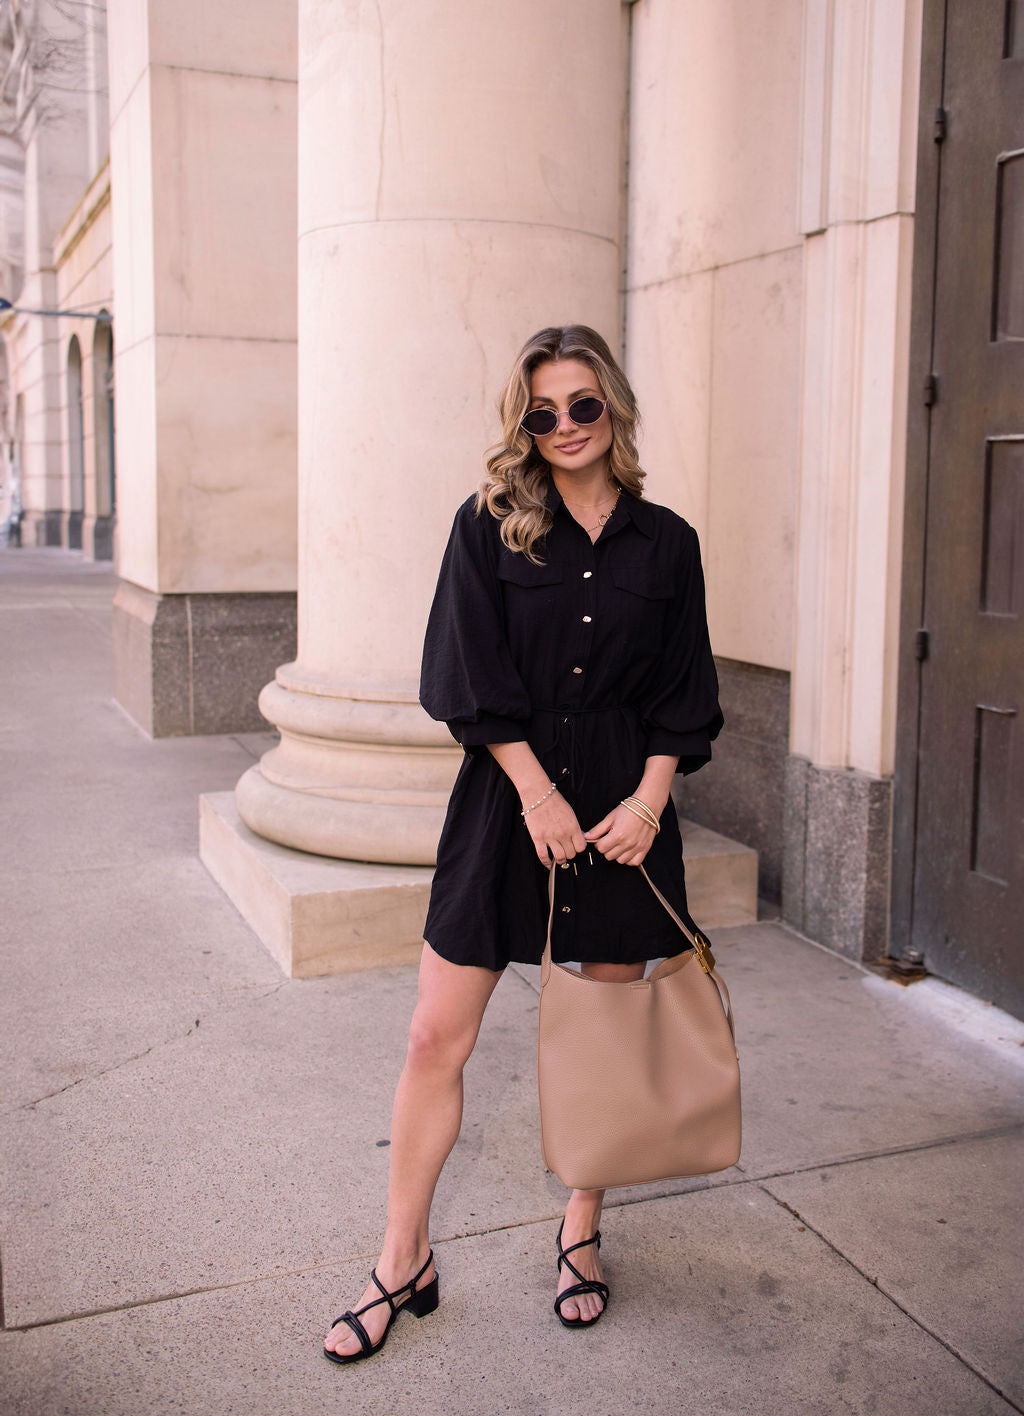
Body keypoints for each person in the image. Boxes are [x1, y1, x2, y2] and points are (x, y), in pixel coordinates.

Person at [323, 324, 723, 1364]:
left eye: (582, 404)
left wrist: (647, 805)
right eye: (542, 413)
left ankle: (580, 1228)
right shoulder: (487, 527)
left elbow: (684, 694)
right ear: (524, 424)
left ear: (613, 407)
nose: (565, 426)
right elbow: (462, 670)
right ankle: (401, 1257)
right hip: (509, 804)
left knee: (601, 1039)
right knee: (434, 1034)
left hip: (625, 816)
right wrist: (536, 791)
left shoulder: (668, 543)